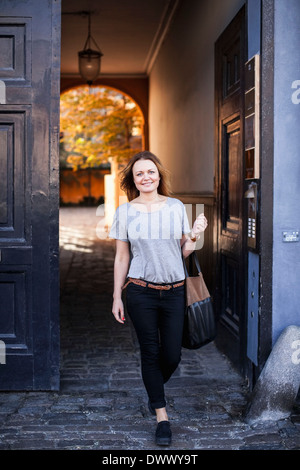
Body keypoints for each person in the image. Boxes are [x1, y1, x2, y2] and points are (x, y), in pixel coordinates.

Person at [109, 151, 207, 446]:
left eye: (150, 171)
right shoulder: (125, 212)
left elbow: (182, 252)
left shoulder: (175, 207)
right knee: (150, 353)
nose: (146, 177)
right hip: (140, 291)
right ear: (133, 179)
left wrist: (196, 234)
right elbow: (121, 257)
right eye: (139, 173)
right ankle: (162, 417)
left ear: (159, 175)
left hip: (175, 290)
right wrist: (117, 296)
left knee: (173, 355)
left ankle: (153, 388)